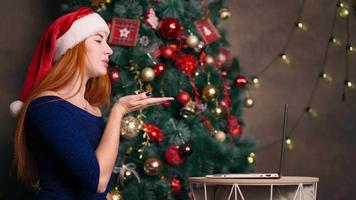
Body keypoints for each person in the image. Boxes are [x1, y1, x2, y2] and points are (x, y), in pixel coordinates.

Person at [10, 7, 173, 199]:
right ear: (71, 48)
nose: (109, 50)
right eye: (98, 40)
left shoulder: (92, 109)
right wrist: (118, 111)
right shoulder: (47, 106)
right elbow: (97, 180)